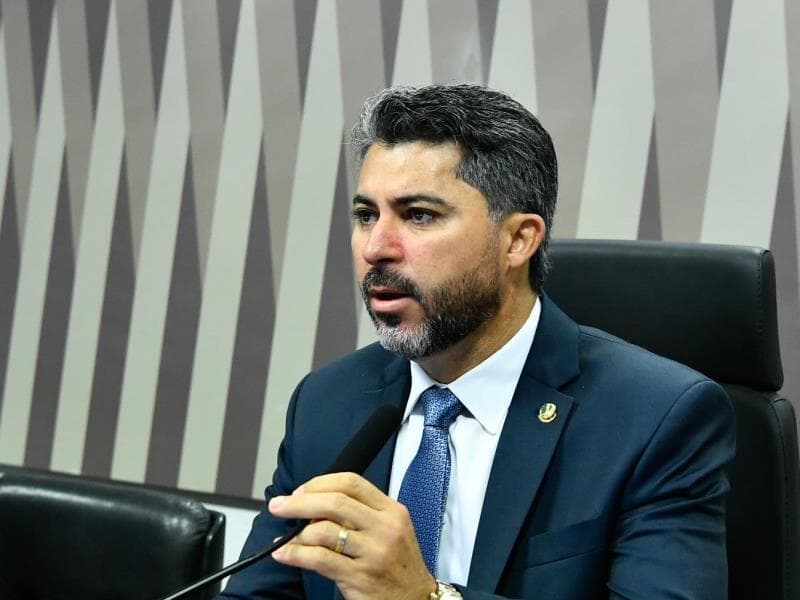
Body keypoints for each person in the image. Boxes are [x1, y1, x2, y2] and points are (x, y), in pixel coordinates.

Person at [219, 84, 735, 599]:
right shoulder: (327, 402)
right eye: (366, 215)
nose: (375, 247)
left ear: (518, 240)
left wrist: (426, 597)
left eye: (419, 215)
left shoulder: (654, 419)